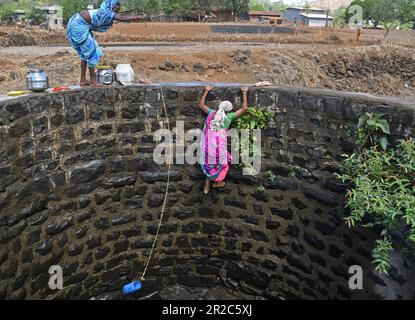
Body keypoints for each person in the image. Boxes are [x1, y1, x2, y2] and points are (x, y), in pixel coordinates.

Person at [67, 0, 150, 87]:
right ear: (112, 6)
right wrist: (139, 17)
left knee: (85, 54)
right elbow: (122, 18)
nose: (117, 12)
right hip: (79, 25)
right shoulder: (106, 12)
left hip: (80, 23)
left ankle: (83, 80)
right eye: (116, 9)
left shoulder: (106, 10)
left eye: (118, 10)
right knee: (91, 52)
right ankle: (93, 80)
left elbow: (118, 16)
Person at [199, 85, 249, 194]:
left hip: (208, 147)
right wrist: (244, 92)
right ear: (228, 110)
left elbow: (201, 105)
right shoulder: (229, 117)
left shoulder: (211, 113)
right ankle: (217, 182)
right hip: (219, 149)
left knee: (209, 164)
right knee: (222, 164)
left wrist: (206, 91)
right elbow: (244, 108)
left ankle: (207, 185)